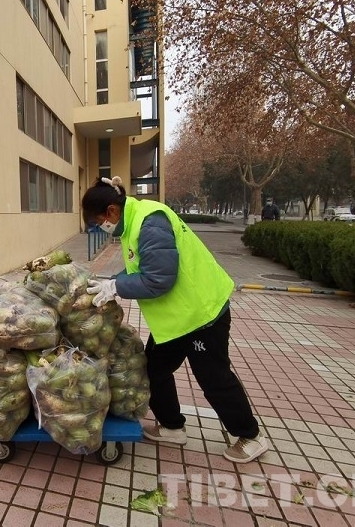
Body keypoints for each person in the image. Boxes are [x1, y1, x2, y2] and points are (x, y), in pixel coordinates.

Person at [82, 176, 269, 463]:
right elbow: (142, 267)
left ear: (111, 211)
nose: (101, 228)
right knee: (153, 369)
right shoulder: (132, 221)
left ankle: (250, 436)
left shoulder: (149, 222)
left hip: (202, 315)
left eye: (99, 222)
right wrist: (111, 282)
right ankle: (172, 427)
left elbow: (158, 279)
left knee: (213, 378)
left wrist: (116, 287)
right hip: (177, 320)